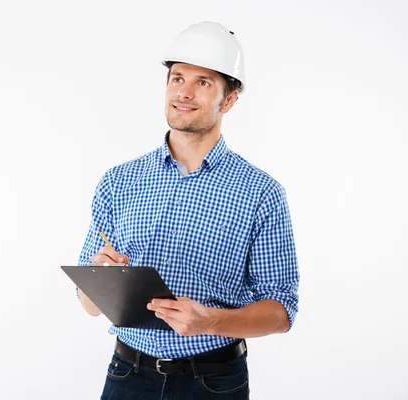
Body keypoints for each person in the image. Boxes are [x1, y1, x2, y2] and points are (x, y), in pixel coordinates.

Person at [76, 21, 299, 399]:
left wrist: (212, 321)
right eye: (178, 78)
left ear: (229, 100)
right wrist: (103, 276)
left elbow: (282, 312)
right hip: (127, 376)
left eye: (203, 82)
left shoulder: (261, 193)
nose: (185, 93)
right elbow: (89, 306)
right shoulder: (119, 181)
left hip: (213, 381)